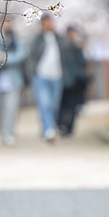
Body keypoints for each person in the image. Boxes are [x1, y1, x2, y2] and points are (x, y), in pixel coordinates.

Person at [25, 13, 72, 143]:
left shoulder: (58, 38)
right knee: (45, 103)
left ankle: (46, 127)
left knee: (54, 105)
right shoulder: (37, 39)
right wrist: (32, 72)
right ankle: (49, 130)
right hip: (41, 76)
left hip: (57, 76)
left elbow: (67, 49)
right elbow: (30, 57)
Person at [0, 16, 27, 146]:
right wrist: (6, 58)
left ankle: (8, 133)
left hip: (13, 81)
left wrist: (3, 58)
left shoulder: (17, 41)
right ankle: (1, 132)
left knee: (11, 108)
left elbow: (21, 56)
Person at [57, 26, 89, 138]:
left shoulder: (77, 49)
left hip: (75, 83)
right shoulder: (61, 48)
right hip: (63, 81)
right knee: (62, 105)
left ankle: (69, 129)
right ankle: (62, 125)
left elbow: (83, 62)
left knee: (72, 107)